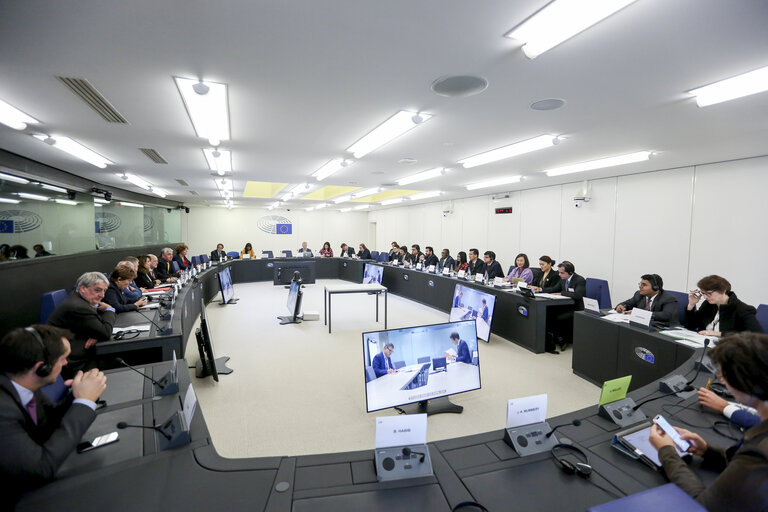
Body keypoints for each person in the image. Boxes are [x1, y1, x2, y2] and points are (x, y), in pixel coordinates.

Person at [649, 332, 768, 512]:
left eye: (723, 375)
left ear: (744, 382)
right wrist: (707, 451)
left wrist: (667, 452)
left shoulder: (760, 454)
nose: (721, 381)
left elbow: (701, 504)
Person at [0, 325, 107, 505]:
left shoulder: (23, 384)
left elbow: (49, 421)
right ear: (42, 368)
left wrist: (78, 394)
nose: (66, 364)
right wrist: (84, 402)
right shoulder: (3, 410)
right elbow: (40, 468)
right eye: (62, 359)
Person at [46, 272, 116, 376]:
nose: (102, 295)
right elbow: (105, 332)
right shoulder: (79, 307)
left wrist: (97, 333)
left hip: (76, 348)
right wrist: (109, 309)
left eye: (104, 291)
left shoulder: (77, 297)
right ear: (83, 288)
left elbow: (99, 326)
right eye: (98, 290)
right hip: (75, 362)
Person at [685, 275, 762, 336]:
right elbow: (691, 326)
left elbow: (757, 336)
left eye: (708, 293)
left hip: (728, 350)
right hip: (704, 346)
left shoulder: (742, 309)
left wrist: (719, 334)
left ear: (723, 291)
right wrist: (691, 305)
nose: (705, 297)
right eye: (703, 293)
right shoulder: (708, 304)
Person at [614, 274, 679, 327]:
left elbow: (666, 315)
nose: (640, 287)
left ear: (655, 287)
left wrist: (640, 314)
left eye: (644, 285)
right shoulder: (639, 295)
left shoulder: (668, 299)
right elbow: (628, 303)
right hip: (645, 328)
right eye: (640, 284)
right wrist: (622, 306)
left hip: (664, 329)